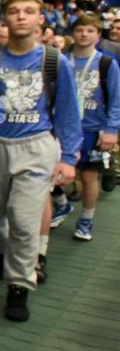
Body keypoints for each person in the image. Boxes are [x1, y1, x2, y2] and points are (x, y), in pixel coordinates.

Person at [0, 0, 82, 321]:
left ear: (41, 19)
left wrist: (68, 157)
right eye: (14, 11)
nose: (21, 17)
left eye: (29, 11)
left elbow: (68, 112)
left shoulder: (54, 61)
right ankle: (5, 252)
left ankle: (19, 285)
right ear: (5, 19)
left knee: (25, 221)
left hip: (35, 145)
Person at [62, 13, 120, 241]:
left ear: (98, 35)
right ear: (72, 33)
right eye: (79, 30)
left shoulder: (106, 64)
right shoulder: (61, 59)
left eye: (90, 31)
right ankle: (60, 204)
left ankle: (86, 219)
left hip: (93, 127)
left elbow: (116, 99)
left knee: (88, 176)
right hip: (63, 128)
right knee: (53, 174)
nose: (84, 35)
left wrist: (112, 129)